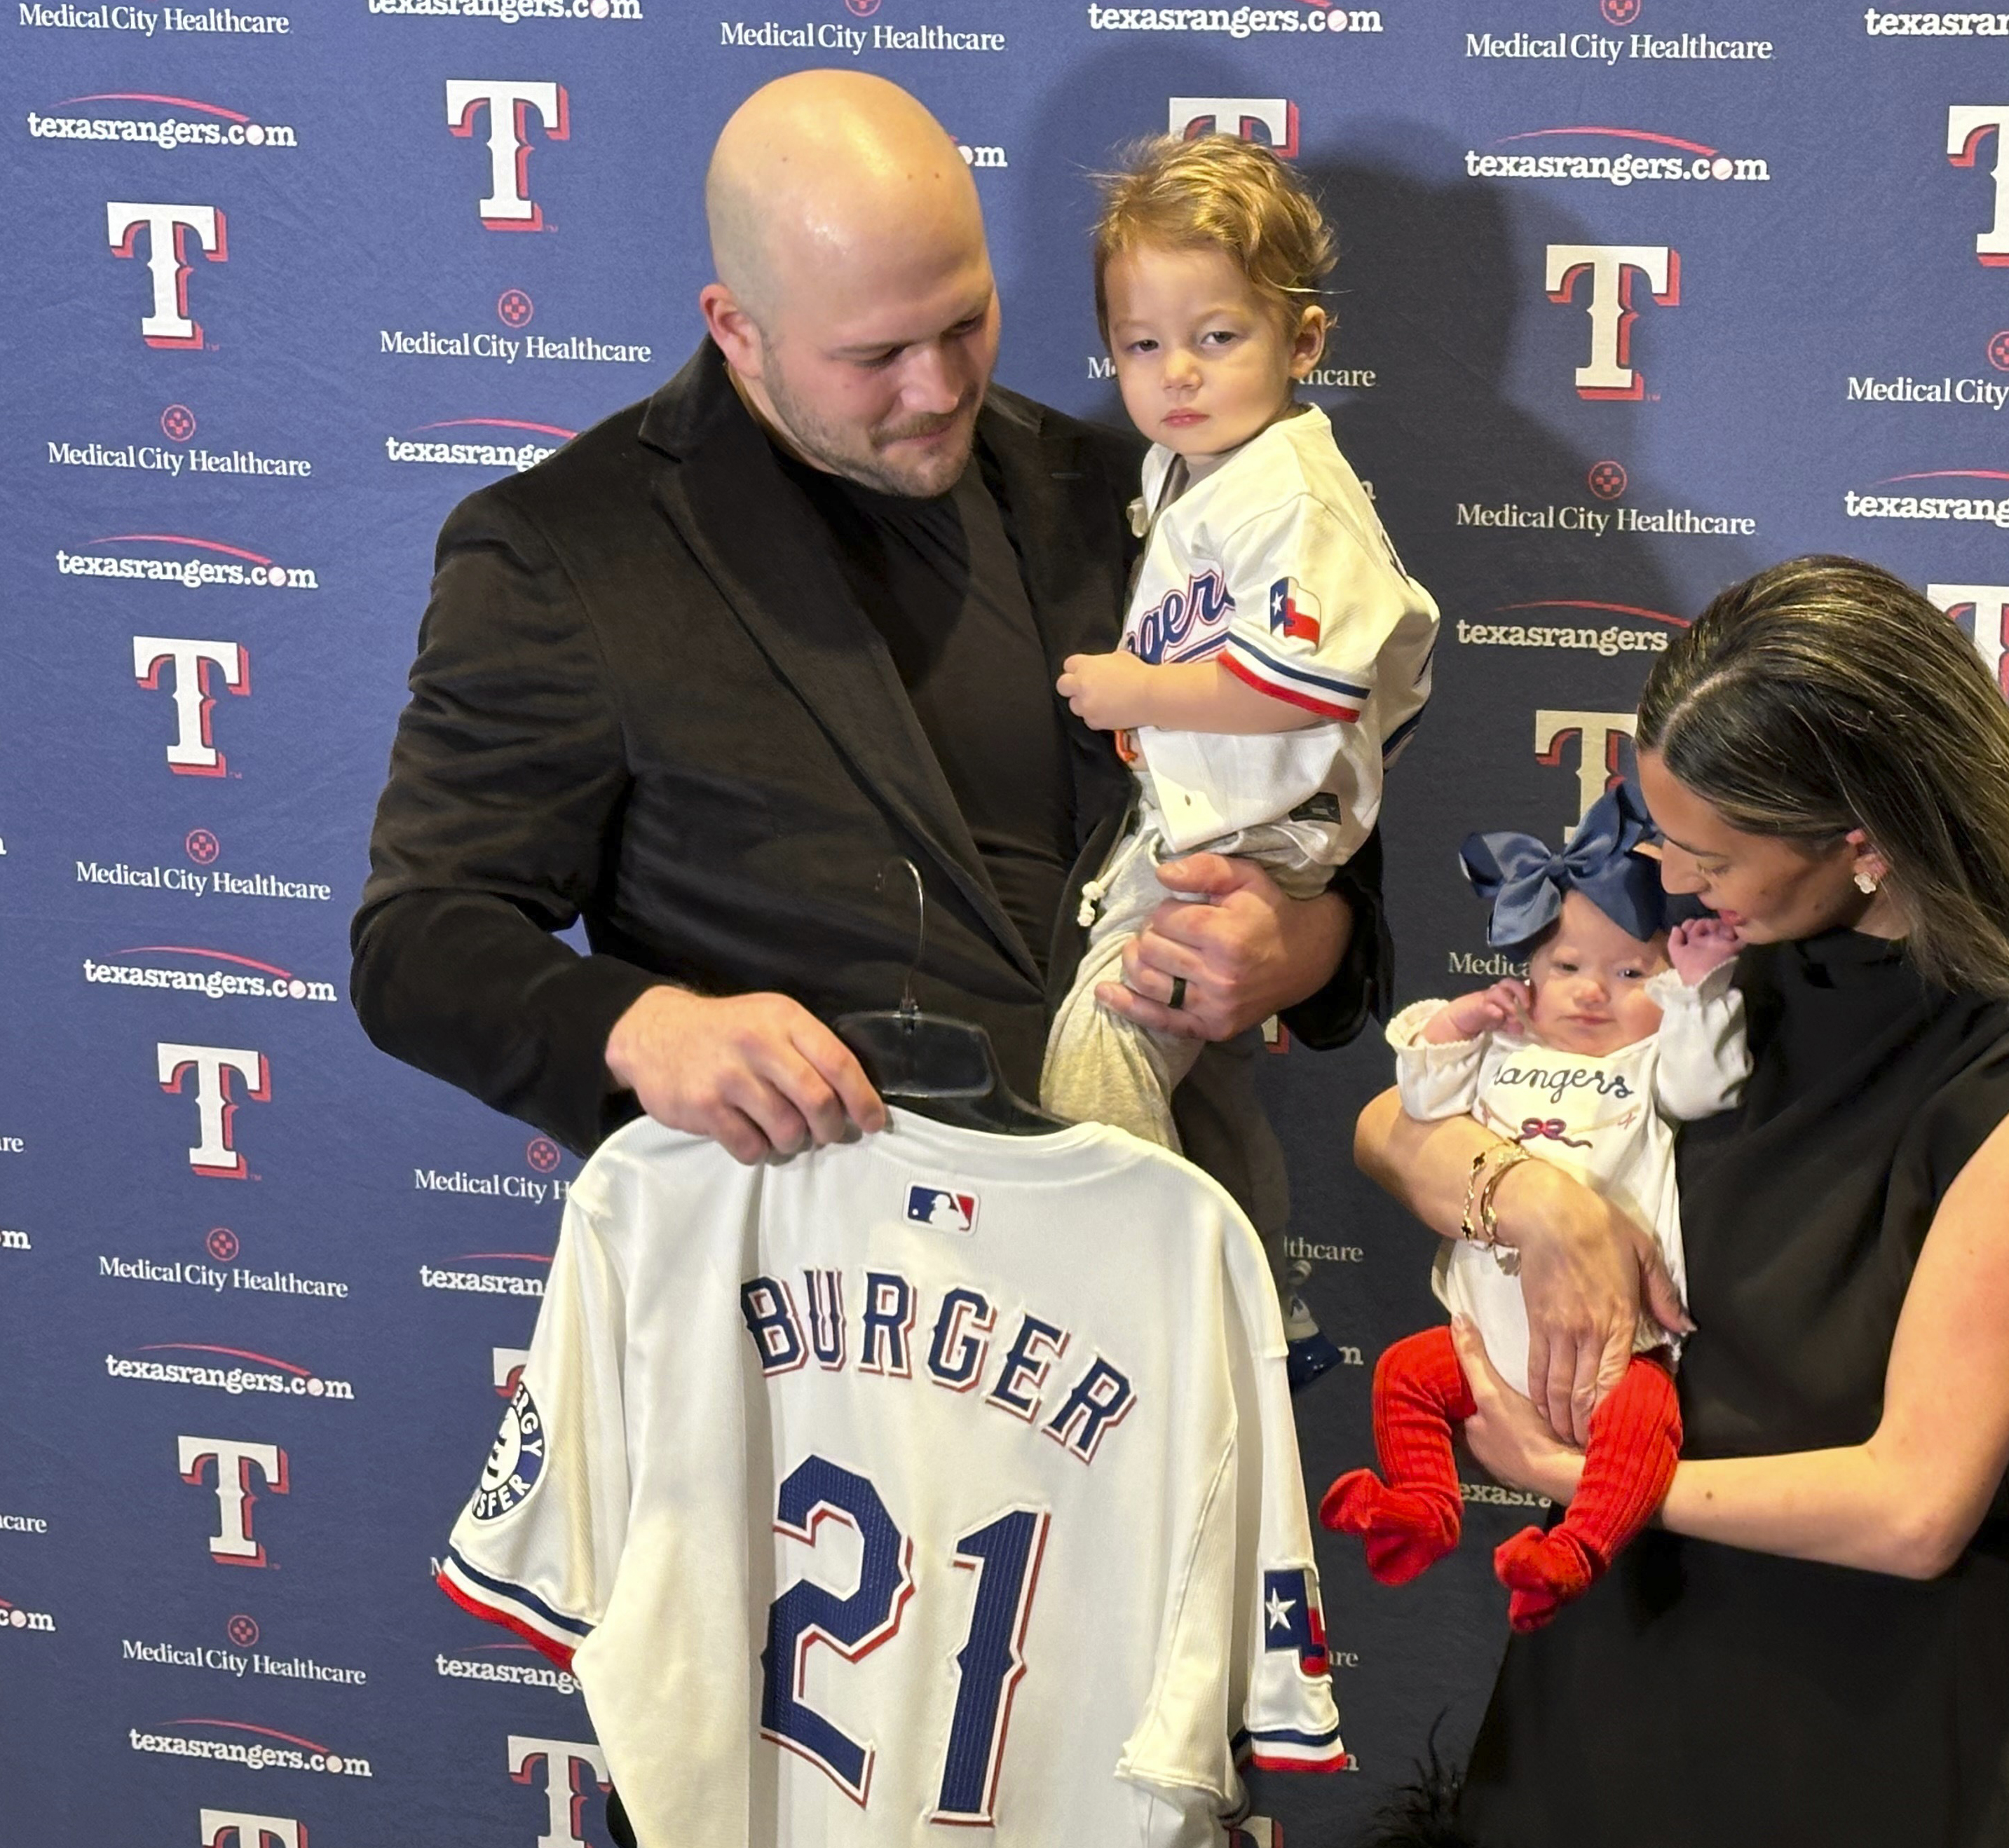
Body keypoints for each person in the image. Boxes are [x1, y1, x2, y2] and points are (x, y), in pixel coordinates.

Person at [350, 71, 1385, 1253]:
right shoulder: (565, 553)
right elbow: (419, 940)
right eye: (876, 354)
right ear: (737, 327)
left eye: (964, 324)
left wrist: (1301, 946)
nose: (938, 389)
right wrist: (645, 1027)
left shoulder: (1128, 491)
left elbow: (1318, 817)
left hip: (1143, 1272)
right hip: (804, 1303)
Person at [1352, 556, 2009, 1847]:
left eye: (1705, 852)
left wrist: (1575, 1475)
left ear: (1862, 841)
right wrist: (1537, 1199)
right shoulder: (1725, 975)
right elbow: (1392, 1129)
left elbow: (1914, 1507)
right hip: (1595, 1683)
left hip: (1839, 1731)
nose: (1666, 877)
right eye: (1655, 831)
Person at [1046, 133, 1436, 1151]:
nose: (1175, 372)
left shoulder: (1290, 491)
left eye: (1216, 337)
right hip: (1210, 806)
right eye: (1140, 345)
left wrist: (1135, 690)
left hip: (1260, 826)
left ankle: (1138, 1280)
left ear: (1303, 341)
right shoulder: (1190, 462)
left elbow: (1296, 691)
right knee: (1121, 1049)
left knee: (1100, 1048)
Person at [1319, 784, 1747, 1632]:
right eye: (1567, 968)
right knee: (1406, 1373)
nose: (1594, 992)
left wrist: (1700, 992)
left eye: (1631, 972)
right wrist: (1457, 1025)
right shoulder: (1501, 1050)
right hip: (1486, 1334)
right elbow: (1416, 1103)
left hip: (1616, 1351)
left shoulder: (1650, 1064)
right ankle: (1422, 1504)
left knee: (1645, 1416)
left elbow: (1708, 1084)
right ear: (1527, 972)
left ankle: (1576, 1547)